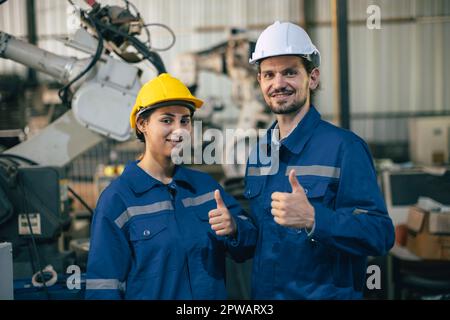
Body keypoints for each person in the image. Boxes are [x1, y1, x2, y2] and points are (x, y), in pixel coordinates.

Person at [244, 21, 395, 299]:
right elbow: (260, 235)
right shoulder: (258, 153)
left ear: (312, 78)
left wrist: (315, 218)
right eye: (269, 75)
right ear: (260, 82)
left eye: (290, 72)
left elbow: (380, 234)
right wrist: (233, 229)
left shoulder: (345, 147)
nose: (278, 84)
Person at [85, 73, 256, 299]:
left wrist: (234, 227)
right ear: (142, 124)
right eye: (167, 120)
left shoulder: (205, 188)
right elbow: (103, 287)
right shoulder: (118, 199)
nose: (178, 130)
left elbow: (249, 242)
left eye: (185, 120)